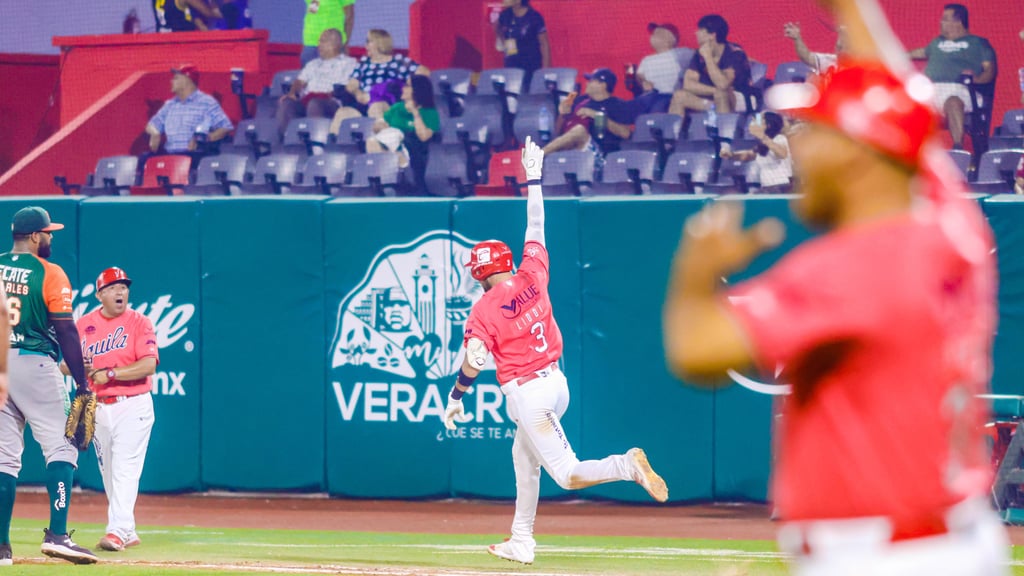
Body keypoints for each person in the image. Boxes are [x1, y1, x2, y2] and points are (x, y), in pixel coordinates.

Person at [662, 0, 1010, 573]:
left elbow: (695, 350)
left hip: (878, 556)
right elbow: (903, 109)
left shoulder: (853, 266)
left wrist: (694, 272)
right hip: (951, 541)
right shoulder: (952, 227)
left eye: (818, 132)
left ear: (857, 154)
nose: (800, 143)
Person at [443, 137, 668, 566]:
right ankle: (521, 540)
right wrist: (533, 177)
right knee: (522, 458)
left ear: (479, 274)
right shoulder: (532, 272)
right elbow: (536, 225)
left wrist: (455, 397)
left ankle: (625, 465)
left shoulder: (484, 309)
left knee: (566, 474)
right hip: (557, 384)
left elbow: (473, 360)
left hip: (531, 396)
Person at [0, 207, 96, 565]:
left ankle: (1, 547)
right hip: (33, 360)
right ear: (35, 236)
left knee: (5, 457)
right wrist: (83, 384)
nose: (52, 238)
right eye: (48, 232)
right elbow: (66, 330)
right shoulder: (49, 272)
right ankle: (57, 534)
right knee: (62, 446)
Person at [75, 268, 158, 553]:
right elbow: (65, 364)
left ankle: (117, 531)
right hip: (99, 408)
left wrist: (109, 374)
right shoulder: (84, 324)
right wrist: (80, 368)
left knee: (125, 469)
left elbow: (149, 365)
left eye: (123, 286)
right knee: (110, 473)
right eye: (113, 287)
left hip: (132, 405)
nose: (120, 291)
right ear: (100, 294)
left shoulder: (139, 322)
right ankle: (128, 529)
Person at [909, 3, 995, 150]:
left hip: (962, 89)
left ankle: (958, 149)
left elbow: (989, 69)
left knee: (953, 102)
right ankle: (910, 152)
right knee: (908, 104)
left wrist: (977, 80)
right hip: (932, 90)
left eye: (944, 19)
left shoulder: (978, 43)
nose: (940, 22)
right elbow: (920, 52)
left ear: (958, 21)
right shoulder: (937, 42)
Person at [332, 29, 431, 122]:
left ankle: (378, 139)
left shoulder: (398, 61)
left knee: (376, 107)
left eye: (368, 42)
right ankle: (332, 139)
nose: (365, 46)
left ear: (379, 43)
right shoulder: (364, 63)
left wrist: (407, 87)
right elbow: (351, 85)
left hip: (387, 103)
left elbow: (425, 73)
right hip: (363, 103)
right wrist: (359, 94)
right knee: (342, 113)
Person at [365, 75, 440, 190]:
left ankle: (398, 172)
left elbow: (424, 137)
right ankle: (394, 170)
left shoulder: (430, 113)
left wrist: (415, 113)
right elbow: (377, 126)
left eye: (407, 85)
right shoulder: (397, 108)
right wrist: (379, 125)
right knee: (372, 142)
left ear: (417, 90)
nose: (403, 88)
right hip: (391, 147)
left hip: (416, 151)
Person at [276, 28, 357, 135]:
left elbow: (345, 87)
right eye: (319, 41)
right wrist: (292, 93)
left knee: (314, 103)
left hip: (331, 102)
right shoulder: (312, 64)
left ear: (335, 44)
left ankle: (315, 139)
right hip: (307, 99)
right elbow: (299, 81)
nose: (319, 44)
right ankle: (287, 140)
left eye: (323, 41)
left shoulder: (349, 63)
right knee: (287, 104)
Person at [542, 68, 638, 158]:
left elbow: (626, 133)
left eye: (591, 80)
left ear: (603, 85)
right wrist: (562, 115)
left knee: (580, 130)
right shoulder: (579, 100)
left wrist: (596, 115)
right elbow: (558, 133)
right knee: (576, 131)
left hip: (599, 153)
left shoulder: (617, 104)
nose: (587, 83)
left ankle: (538, 155)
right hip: (571, 149)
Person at [669, 14, 751, 115]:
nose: (696, 33)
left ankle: (723, 129)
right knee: (679, 96)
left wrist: (708, 58)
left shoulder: (734, 53)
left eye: (700, 30)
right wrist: (713, 91)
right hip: (711, 100)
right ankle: (675, 130)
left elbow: (723, 84)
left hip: (735, 97)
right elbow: (688, 84)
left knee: (721, 94)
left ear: (712, 35)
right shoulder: (699, 54)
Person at [146, 64, 234, 155]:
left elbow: (225, 127)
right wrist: (155, 133)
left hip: (194, 154)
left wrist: (204, 139)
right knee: (144, 159)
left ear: (187, 81)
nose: (171, 81)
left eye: (176, 78)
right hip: (170, 155)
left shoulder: (206, 102)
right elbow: (152, 125)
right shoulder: (170, 104)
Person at [720, 111, 792, 193]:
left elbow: (782, 154)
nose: (753, 123)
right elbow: (749, 155)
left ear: (768, 125)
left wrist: (762, 136)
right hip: (767, 187)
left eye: (757, 121)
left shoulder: (779, 138)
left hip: (781, 187)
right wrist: (731, 155)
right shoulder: (762, 144)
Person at [495, 0, 551, 90]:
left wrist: (546, 69)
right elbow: (497, 27)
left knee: (530, 95)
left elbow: (544, 43)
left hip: (531, 64)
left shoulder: (534, 17)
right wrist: (504, 42)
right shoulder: (504, 16)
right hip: (511, 64)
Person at [634, 22, 683, 114]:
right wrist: (644, 81)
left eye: (659, 34)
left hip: (669, 96)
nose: (653, 37)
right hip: (649, 96)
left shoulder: (680, 55)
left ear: (671, 39)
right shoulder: (647, 60)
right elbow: (639, 75)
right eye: (653, 34)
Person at [302, 0, 355, 66]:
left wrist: (345, 43)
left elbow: (349, 17)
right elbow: (313, 9)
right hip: (311, 43)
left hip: (333, 44)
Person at [153, 0, 220, 32]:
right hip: (181, 41)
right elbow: (208, 13)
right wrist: (227, 11)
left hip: (162, 40)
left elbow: (194, 17)